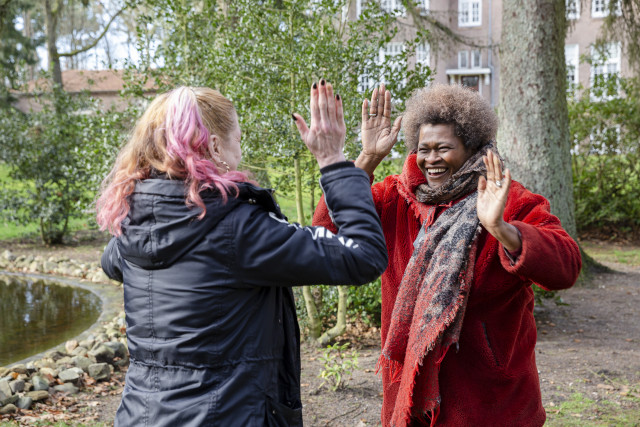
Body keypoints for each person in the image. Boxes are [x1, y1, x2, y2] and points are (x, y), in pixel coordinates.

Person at [96, 80, 388, 426]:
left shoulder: (133, 220)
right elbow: (362, 255)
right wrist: (333, 160)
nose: (240, 147)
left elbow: (112, 263)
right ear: (216, 146)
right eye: (238, 137)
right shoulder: (238, 230)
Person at [313, 83, 582, 427]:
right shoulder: (395, 198)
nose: (431, 159)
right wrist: (368, 159)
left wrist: (501, 228)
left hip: (488, 403)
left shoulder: (506, 199)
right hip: (410, 399)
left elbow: (567, 267)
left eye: (444, 148)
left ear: (471, 149)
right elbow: (327, 234)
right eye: (424, 149)